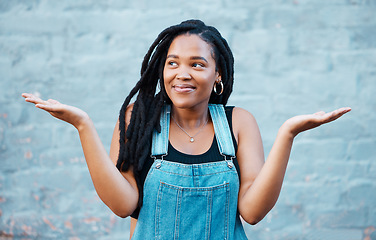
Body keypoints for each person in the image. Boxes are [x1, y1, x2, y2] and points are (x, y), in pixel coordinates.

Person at [22, 19, 351, 239]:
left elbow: (252, 213)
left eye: (197, 64)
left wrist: (287, 135)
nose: (182, 73)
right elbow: (123, 205)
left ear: (217, 74)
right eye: (172, 62)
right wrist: (83, 126)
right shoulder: (139, 120)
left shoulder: (239, 123)